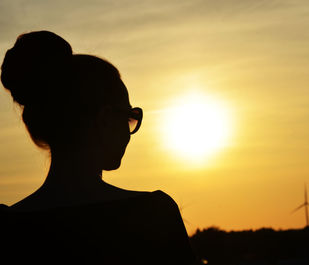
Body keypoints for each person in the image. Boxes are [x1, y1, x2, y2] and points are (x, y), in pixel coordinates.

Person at [0, 31, 196, 264]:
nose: (130, 130)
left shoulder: (7, 227)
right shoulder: (152, 214)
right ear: (104, 120)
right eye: (130, 117)